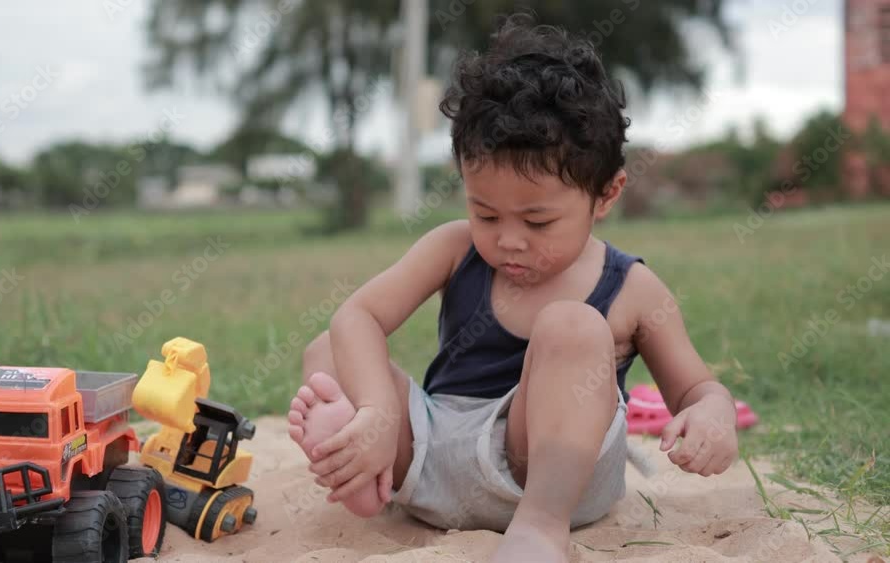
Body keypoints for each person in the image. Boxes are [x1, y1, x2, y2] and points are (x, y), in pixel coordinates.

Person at [287, 14, 739, 562]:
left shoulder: (633, 288)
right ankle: (369, 467)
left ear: (606, 194)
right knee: (329, 353)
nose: (508, 241)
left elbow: (696, 390)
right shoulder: (454, 248)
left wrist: (712, 413)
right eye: (485, 214)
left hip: (551, 474)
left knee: (572, 327)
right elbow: (357, 315)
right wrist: (376, 411)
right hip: (438, 453)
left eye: (537, 221)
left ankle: (540, 529)